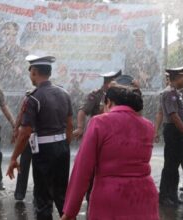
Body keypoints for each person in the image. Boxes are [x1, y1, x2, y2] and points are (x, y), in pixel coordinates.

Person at [61, 85, 159, 220]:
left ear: (109, 102)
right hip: (144, 197)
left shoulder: (99, 122)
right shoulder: (148, 125)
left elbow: (82, 169)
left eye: (103, 104)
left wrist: (70, 212)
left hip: (110, 198)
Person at [6, 55, 73, 220]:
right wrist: (63, 145)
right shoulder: (64, 93)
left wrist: (14, 157)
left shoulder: (33, 98)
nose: (30, 75)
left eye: (31, 72)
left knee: (42, 199)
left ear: (34, 72)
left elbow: (25, 133)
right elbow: (70, 125)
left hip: (44, 152)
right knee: (63, 195)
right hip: (62, 148)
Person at [158, 65, 183, 206]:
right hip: (173, 132)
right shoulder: (169, 93)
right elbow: (174, 117)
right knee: (170, 165)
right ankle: (164, 196)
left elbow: (180, 116)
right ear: (177, 78)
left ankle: (173, 196)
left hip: (178, 131)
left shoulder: (178, 93)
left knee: (174, 165)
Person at [72, 70, 121, 139]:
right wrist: (80, 128)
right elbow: (83, 111)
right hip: (98, 131)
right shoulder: (97, 95)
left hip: (113, 131)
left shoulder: (118, 95)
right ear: (110, 82)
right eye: (116, 82)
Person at [0, 22, 29, 90]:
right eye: (7, 34)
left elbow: (27, 70)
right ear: (3, 36)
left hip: (20, 87)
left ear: (18, 35)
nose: (10, 38)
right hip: (3, 87)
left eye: (14, 35)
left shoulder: (24, 52)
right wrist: (11, 66)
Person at [11, 94, 32, 201]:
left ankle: (38, 193)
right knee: (24, 164)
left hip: (40, 137)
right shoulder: (29, 98)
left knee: (40, 167)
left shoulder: (43, 98)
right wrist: (15, 129)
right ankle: (19, 193)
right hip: (28, 137)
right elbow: (20, 115)